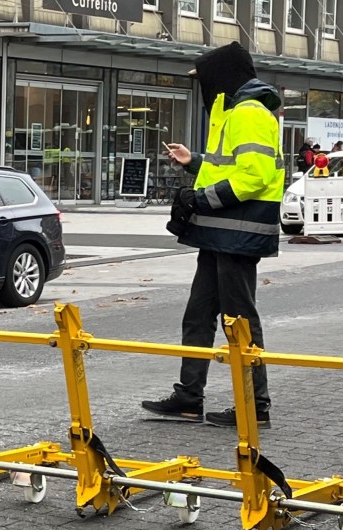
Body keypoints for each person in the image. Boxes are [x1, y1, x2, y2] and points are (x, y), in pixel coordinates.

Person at [142, 41, 284, 428]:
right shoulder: (235, 111)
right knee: (199, 315)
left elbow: (254, 176)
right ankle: (189, 399)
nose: (202, 87)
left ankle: (256, 405)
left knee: (240, 321)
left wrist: (202, 199)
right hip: (221, 233)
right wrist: (196, 164)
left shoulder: (249, 113)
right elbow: (232, 168)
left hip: (236, 235)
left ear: (223, 77)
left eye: (204, 79)